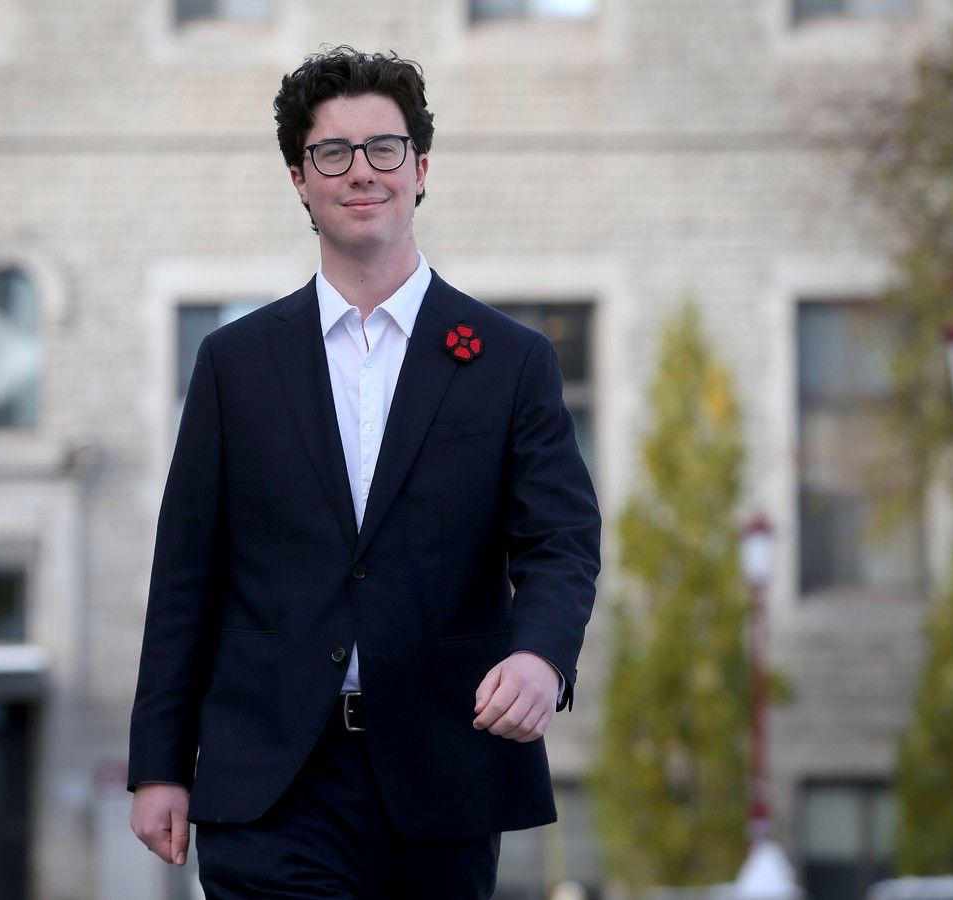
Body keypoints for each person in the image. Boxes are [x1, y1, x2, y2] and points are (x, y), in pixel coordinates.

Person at [128, 46, 601, 900]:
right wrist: (158, 764)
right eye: (330, 153)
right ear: (299, 180)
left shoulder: (509, 361)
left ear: (420, 170)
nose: (360, 172)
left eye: (383, 148)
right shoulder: (236, 364)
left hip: (441, 773)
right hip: (272, 784)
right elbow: (185, 575)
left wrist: (542, 657)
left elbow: (561, 540)